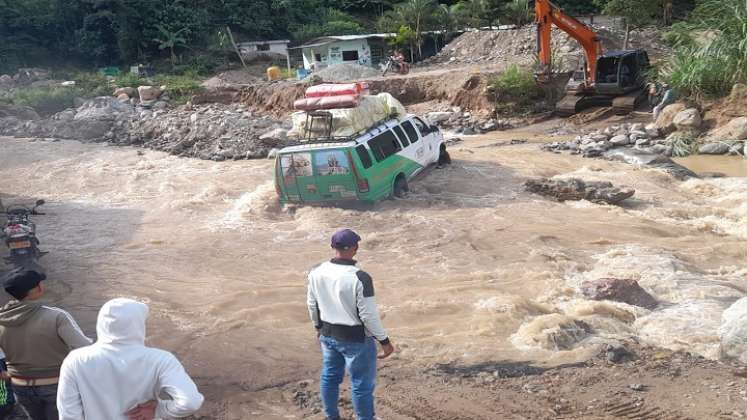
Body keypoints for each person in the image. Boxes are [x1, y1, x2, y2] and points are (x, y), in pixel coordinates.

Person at [57, 298, 204, 420]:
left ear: (101, 324)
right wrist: (159, 411)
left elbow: (68, 414)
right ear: (138, 324)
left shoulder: (75, 360)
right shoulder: (161, 360)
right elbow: (190, 402)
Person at [307, 229, 394, 420]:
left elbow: (312, 304)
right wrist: (384, 341)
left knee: (329, 378)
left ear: (332, 247)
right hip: (356, 339)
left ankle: (331, 416)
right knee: (361, 384)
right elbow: (369, 316)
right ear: (355, 248)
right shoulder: (360, 277)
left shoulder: (316, 271)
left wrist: (317, 327)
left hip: (328, 333)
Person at [0, 270, 92, 420]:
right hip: (55, 384)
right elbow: (83, 348)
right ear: (38, 289)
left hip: (20, 385)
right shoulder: (56, 316)